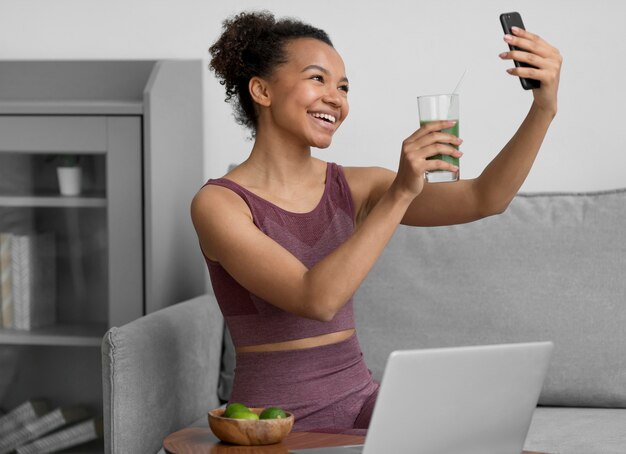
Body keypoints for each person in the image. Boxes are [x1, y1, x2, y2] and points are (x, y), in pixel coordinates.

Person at [191, 10, 562, 433]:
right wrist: (402, 192)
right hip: (270, 425)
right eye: (318, 79)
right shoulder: (219, 204)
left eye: (343, 87)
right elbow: (316, 299)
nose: (336, 97)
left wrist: (543, 107)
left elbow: (485, 198)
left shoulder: (356, 186)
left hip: (365, 403)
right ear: (262, 90)